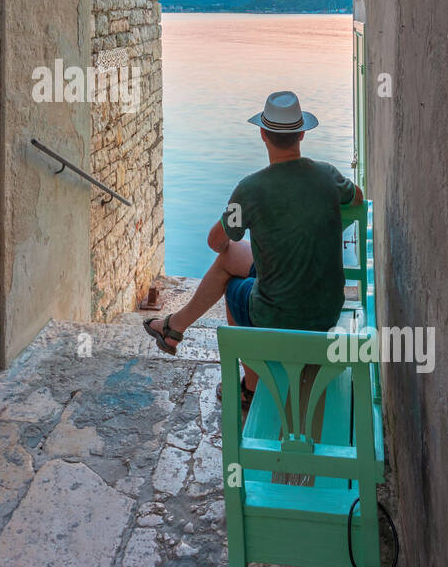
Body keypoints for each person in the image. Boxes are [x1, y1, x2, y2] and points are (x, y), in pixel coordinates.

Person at [144, 91, 364, 404]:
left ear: (262, 134)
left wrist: (242, 217)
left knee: (233, 281)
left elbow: (216, 243)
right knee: (234, 260)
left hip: (279, 318)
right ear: (302, 133)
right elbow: (356, 196)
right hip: (326, 310)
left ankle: (250, 385)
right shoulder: (327, 175)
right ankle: (174, 326)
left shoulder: (250, 189)